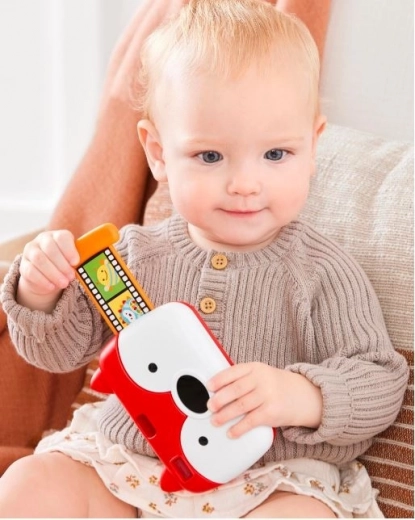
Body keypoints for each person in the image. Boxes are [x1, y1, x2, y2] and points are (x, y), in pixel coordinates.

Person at [0, 0, 408, 517]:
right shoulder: (132, 257)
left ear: (312, 146)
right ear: (157, 153)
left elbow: (379, 380)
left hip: (269, 482)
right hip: (129, 465)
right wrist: (39, 292)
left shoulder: (323, 273)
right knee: (32, 482)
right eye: (210, 156)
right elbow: (61, 354)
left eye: (276, 154)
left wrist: (300, 394)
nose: (244, 183)